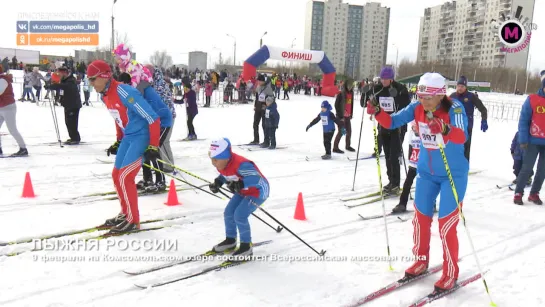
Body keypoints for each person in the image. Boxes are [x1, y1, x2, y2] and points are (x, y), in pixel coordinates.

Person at [367, 72, 468, 292]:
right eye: (420, 96)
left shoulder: (455, 108)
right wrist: (377, 112)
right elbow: (392, 122)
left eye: (428, 98)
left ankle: (450, 273)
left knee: (446, 225)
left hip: (453, 174)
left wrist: (445, 129)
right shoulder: (416, 108)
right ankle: (421, 260)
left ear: (441, 95)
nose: (423, 101)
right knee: (420, 219)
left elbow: (462, 136)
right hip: (426, 173)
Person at [86, 60, 161, 233]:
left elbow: (153, 118)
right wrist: (119, 140)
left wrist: (153, 146)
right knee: (116, 174)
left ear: (104, 77)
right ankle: (125, 213)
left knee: (125, 177)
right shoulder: (105, 94)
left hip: (141, 136)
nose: (90, 83)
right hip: (128, 136)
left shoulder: (124, 91)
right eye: (89, 80)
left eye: (93, 79)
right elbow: (118, 118)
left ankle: (133, 220)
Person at [208, 137, 270, 260]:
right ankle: (231, 240)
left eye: (216, 160)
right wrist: (218, 182)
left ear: (226, 157)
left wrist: (240, 184)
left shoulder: (242, 165)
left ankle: (246, 247)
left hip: (258, 192)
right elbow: (226, 174)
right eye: (212, 160)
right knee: (229, 213)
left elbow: (257, 179)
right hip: (243, 191)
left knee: (240, 215)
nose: (213, 163)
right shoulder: (224, 163)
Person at [118, 72, 172, 192]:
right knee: (143, 149)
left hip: (162, 121)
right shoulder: (131, 91)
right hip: (149, 123)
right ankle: (148, 179)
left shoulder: (139, 90)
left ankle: (160, 181)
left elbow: (150, 111)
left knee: (153, 150)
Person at [362, 67, 411, 193]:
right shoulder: (377, 89)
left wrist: (398, 101)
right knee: (388, 155)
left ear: (392, 78)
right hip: (383, 125)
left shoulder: (400, 89)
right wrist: (366, 95)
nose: (384, 81)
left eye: (386, 79)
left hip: (398, 126)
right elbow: (365, 103)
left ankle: (396, 183)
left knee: (394, 155)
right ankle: (391, 181)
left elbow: (407, 106)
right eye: (382, 79)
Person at [512, 70, 545, 206]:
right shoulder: (532, 99)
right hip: (532, 141)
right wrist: (523, 139)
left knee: (542, 170)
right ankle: (518, 192)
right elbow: (524, 120)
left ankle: (534, 193)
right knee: (526, 168)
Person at [145, 65, 176, 173]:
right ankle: (161, 164)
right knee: (157, 141)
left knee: (164, 141)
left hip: (167, 117)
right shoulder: (152, 84)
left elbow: (160, 102)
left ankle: (169, 165)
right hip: (158, 118)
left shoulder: (159, 85)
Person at [449, 76, 488, 162]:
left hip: (467, 127)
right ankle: (453, 164)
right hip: (454, 126)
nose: (460, 88)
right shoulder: (452, 96)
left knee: (465, 147)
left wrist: (484, 120)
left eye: (462, 86)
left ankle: (464, 165)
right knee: (453, 147)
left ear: (466, 87)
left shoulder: (471, 96)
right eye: (458, 86)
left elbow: (483, 109)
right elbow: (444, 109)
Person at [392, 121, 420, 213]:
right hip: (414, 163)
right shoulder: (411, 134)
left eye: (416, 126)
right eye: (413, 126)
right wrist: (410, 160)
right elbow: (410, 147)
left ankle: (431, 204)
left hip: (424, 164)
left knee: (426, 185)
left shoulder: (425, 134)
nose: (414, 128)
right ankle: (402, 204)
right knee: (407, 184)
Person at [49, 67, 82, 145]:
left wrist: (55, 86)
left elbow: (65, 86)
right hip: (67, 104)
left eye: (60, 74)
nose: (59, 75)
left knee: (72, 122)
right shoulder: (64, 80)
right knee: (68, 122)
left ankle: (75, 138)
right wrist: (51, 86)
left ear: (64, 73)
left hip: (73, 105)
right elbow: (61, 87)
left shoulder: (71, 80)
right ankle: (72, 137)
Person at [0, 65, 28, 157]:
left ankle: (23, 148)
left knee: (12, 129)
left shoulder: (3, 80)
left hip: (8, 107)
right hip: (1, 107)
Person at [250, 75, 274, 145]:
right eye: (258, 81)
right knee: (255, 124)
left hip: (264, 108)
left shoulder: (268, 88)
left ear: (263, 81)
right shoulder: (258, 86)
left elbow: (272, 97)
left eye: (260, 81)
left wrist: (266, 105)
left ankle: (266, 140)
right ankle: (256, 139)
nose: (259, 82)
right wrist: (255, 105)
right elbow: (257, 97)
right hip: (258, 107)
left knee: (264, 125)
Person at [333, 78, 355, 154]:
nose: (350, 87)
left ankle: (348, 146)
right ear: (346, 85)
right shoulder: (341, 94)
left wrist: (351, 113)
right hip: (341, 116)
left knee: (349, 131)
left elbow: (351, 105)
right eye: (349, 85)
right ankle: (335, 147)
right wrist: (340, 116)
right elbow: (336, 105)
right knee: (341, 132)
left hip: (348, 116)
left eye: (351, 86)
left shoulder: (351, 93)